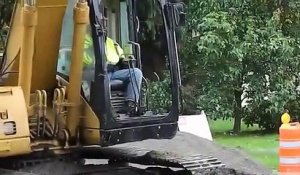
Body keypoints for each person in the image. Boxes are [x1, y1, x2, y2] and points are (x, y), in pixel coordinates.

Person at [83, 34, 143, 114]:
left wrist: (124, 60)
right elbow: (83, 57)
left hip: (113, 71)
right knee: (103, 78)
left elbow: (121, 54)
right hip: (95, 72)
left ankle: (131, 105)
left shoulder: (110, 42)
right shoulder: (85, 40)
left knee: (136, 73)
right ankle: (107, 111)